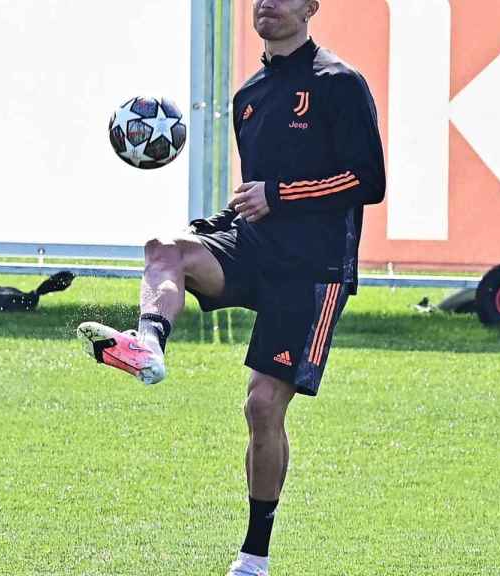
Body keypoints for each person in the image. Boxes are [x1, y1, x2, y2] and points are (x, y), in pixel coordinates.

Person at [77, 0, 385, 573]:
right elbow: (254, 198)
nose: (267, 3)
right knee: (165, 249)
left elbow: (369, 180)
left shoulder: (340, 83)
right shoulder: (249, 97)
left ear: (311, 7)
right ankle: (148, 346)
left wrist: (282, 195)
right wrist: (217, 224)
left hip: (312, 271)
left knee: (262, 406)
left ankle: (253, 557)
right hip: (256, 250)